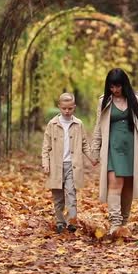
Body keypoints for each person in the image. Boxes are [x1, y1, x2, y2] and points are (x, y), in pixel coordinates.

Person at [91, 68, 138, 234]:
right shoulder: (104, 101)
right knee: (115, 183)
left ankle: (124, 222)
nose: (115, 90)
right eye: (112, 87)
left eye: (118, 87)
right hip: (112, 148)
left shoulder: (136, 99)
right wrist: (94, 152)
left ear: (124, 84)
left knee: (128, 185)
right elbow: (98, 128)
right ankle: (115, 223)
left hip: (133, 148)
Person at [41, 92, 96, 234]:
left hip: (73, 165)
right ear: (59, 107)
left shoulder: (78, 124)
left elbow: (84, 144)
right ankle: (60, 222)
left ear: (74, 107)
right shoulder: (52, 124)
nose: (67, 111)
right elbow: (46, 146)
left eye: (70, 109)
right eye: (64, 108)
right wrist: (45, 163)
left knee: (71, 193)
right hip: (56, 166)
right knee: (58, 196)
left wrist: (92, 158)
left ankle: (72, 221)